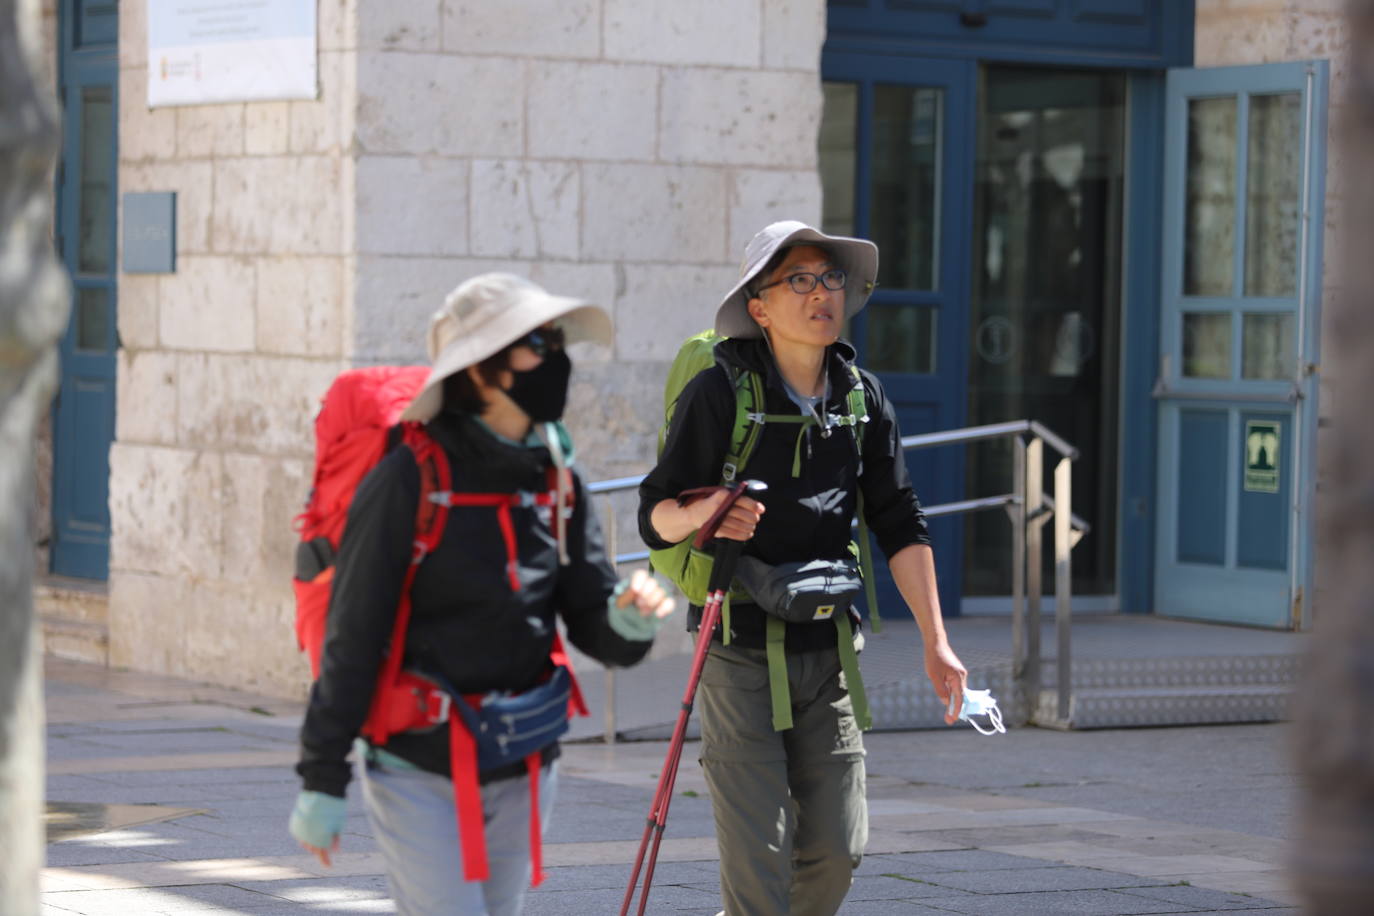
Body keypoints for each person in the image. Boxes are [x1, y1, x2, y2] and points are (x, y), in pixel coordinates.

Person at [289, 273, 675, 916]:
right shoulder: (407, 478)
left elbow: (588, 619)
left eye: (556, 340)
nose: (557, 358)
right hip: (417, 767)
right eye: (535, 343)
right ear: (481, 371)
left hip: (525, 758)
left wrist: (628, 621)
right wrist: (321, 779)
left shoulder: (557, 478)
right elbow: (353, 635)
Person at [638, 221, 968, 916]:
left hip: (829, 651)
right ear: (759, 305)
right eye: (799, 279)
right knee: (759, 866)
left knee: (836, 853)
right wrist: (703, 513)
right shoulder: (721, 392)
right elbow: (654, 512)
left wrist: (937, 640)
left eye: (831, 278)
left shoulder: (861, 399)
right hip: (737, 650)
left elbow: (899, 519)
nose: (821, 293)